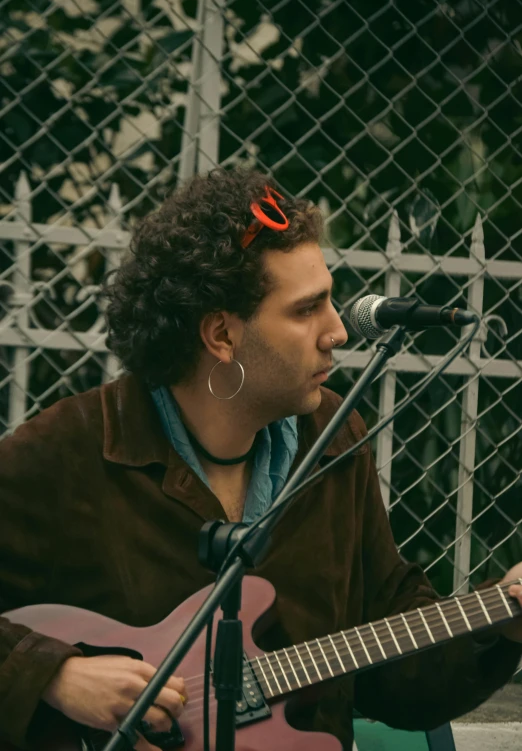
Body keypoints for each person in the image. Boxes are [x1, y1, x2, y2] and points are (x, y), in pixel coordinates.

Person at [0, 167, 521, 751]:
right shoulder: (72, 449)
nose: (337, 332)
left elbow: (393, 671)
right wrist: (54, 676)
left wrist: (501, 622)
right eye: (306, 310)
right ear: (221, 335)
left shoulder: (334, 437)